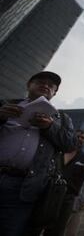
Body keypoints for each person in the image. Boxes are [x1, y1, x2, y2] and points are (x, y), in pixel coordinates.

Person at [0, 71, 77, 235]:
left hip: (23, 187)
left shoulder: (61, 118)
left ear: (54, 93)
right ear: (29, 85)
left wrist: (50, 126)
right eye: (40, 82)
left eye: (51, 86)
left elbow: (70, 144)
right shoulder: (5, 104)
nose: (45, 86)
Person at [36, 129, 84, 236]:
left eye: (83, 138)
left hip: (68, 198)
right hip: (48, 194)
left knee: (57, 230)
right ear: (72, 136)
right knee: (37, 224)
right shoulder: (59, 151)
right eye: (78, 136)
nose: (80, 139)